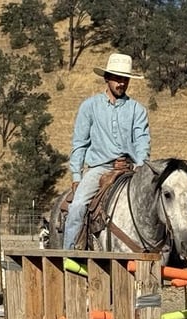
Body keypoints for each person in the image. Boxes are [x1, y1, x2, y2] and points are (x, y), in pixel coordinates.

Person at [63, 53, 151, 250]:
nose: (122, 83)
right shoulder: (89, 107)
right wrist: (76, 175)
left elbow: (142, 142)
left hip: (130, 168)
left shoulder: (137, 110)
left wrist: (140, 165)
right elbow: (79, 143)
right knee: (77, 206)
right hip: (100, 168)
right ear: (107, 78)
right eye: (118, 78)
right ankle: (67, 253)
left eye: (125, 79)